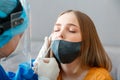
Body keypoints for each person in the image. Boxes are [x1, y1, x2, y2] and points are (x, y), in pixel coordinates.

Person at [33, 10, 113, 80]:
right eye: (56, 30)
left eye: (72, 30)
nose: (60, 34)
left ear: (87, 41)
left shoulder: (101, 78)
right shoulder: (45, 73)